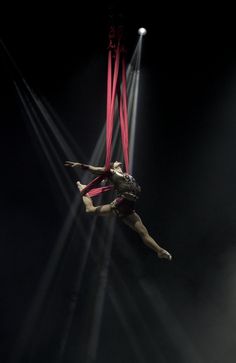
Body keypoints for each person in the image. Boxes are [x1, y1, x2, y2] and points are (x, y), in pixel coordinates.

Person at [64, 160, 172, 260]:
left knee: (143, 232)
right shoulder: (111, 172)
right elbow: (95, 169)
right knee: (90, 209)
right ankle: (83, 189)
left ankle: (159, 251)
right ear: (113, 166)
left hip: (129, 208)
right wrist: (80, 165)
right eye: (115, 162)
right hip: (120, 203)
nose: (117, 161)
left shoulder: (127, 175)